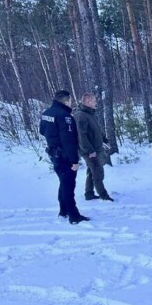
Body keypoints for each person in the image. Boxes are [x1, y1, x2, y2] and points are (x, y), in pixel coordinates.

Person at [39, 90, 90, 224]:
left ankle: (63, 210)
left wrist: (53, 140)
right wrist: (74, 160)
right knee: (69, 185)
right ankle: (74, 215)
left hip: (53, 152)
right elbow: (69, 140)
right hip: (64, 155)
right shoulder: (65, 116)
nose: (71, 103)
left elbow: (42, 131)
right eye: (70, 100)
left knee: (63, 182)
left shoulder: (46, 113)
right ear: (65, 100)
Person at [73, 93, 114, 202]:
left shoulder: (90, 114)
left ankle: (89, 193)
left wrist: (104, 140)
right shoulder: (80, 116)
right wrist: (89, 150)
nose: (96, 103)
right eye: (93, 101)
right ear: (87, 102)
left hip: (95, 148)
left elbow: (96, 130)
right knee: (98, 172)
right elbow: (81, 136)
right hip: (89, 151)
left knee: (92, 171)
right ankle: (103, 195)